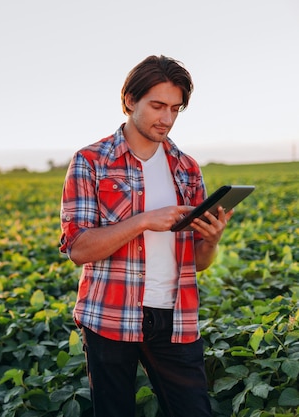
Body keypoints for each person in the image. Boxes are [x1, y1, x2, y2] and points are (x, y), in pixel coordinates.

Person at [59, 55, 232, 417]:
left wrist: (212, 240)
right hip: (109, 314)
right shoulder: (91, 162)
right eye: (157, 106)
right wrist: (142, 221)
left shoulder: (187, 168)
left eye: (175, 108)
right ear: (129, 101)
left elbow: (197, 262)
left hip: (174, 316)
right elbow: (78, 249)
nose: (166, 119)